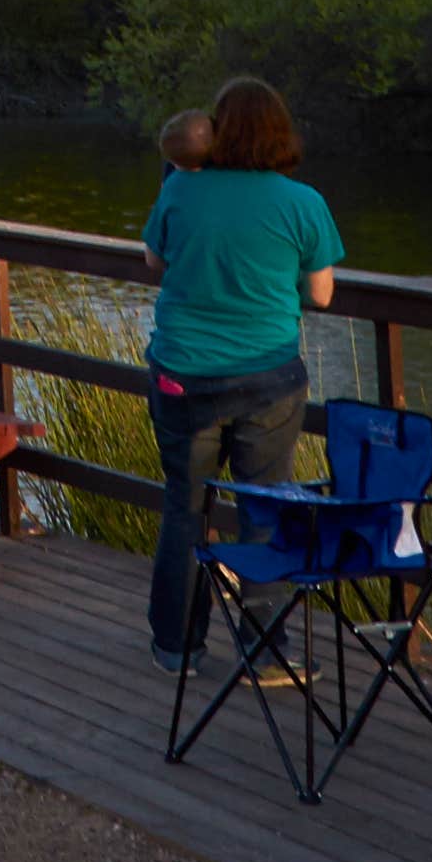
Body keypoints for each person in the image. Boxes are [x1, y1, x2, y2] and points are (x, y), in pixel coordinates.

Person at [140, 74, 343, 670]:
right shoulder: (303, 203)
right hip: (267, 380)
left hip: (183, 374)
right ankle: (263, 648)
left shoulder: (180, 189)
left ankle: (177, 647)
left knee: (185, 506)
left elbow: (155, 258)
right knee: (264, 506)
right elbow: (323, 296)